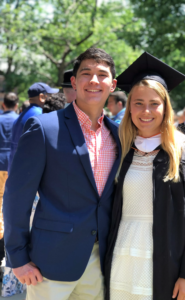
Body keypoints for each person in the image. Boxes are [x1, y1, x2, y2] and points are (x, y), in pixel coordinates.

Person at [104, 52, 185, 300]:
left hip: (170, 263)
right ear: (128, 107)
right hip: (122, 257)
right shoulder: (122, 149)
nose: (145, 110)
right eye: (138, 102)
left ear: (166, 106)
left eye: (154, 103)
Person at [3, 47, 120, 300]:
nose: (94, 80)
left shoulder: (119, 135)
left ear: (113, 85)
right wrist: (18, 258)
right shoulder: (44, 127)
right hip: (49, 264)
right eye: (86, 73)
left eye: (102, 74)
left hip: (101, 262)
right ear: (74, 82)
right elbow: (16, 196)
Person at [8, 82, 59, 172]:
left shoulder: (21, 115)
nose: (52, 98)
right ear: (42, 97)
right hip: (28, 172)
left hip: (16, 170)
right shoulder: (40, 115)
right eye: (50, 95)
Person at [0, 93, 18, 239]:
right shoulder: (19, 120)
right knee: (11, 199)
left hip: (0, 162)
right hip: (14, 164)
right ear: (17, 105)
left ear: (3, 105)